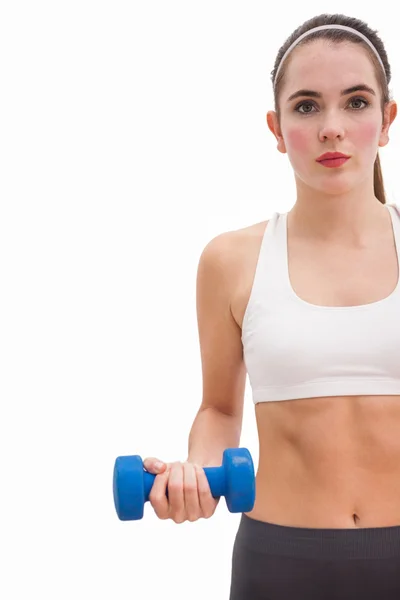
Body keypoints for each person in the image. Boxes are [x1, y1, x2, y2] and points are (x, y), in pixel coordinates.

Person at [143, 12, 400, 599]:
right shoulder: (230, 260)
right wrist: (198, 477)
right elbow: (217, 409)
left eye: (356, 103)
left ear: (386, 121)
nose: (332, 128)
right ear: (277, 129)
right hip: (280, 562)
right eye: (307, 107)